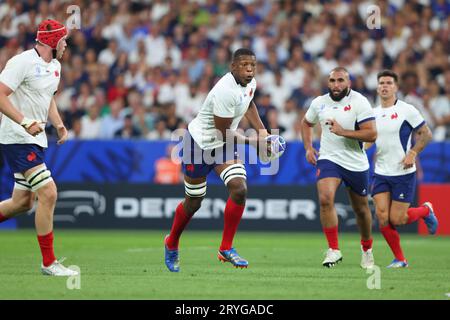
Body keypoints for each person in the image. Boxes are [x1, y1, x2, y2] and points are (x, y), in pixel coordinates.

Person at [164, 48, 270, 272]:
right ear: (233, 67)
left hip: (223, 145)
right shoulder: (225, 90)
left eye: (252, 65)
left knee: (239, 189)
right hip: (199, 144)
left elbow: (249, 103)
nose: (249, 69)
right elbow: (222, 132)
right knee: (194, 202)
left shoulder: (250, 83)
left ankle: (226, 248)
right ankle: (172, 241)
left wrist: (262, 131)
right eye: (244, 65)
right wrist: (252, 142)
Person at [0, 19, 78, 276]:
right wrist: (23, 121)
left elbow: (47, 100)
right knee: (49, 192)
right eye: (63, 40)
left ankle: (49, 263)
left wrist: (58, 124)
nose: (66, 44)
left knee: (21, 203)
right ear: (53, 41)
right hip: (17, 138)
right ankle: (49, 263)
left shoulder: (55, 67)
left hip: (35, 139)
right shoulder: (22, 62)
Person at [300, 67, 377, 269]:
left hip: (355, 162)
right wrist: (308, 147)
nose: (336, 85)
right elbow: (306, 123)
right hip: (329, 158)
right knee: (325, 199)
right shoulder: (319, 103)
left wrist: (343, 132)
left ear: (348, 82)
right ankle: (333, 249)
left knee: (361, 210)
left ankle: (367, 248)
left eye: (340, 80)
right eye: (332, 80)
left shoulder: (359, 102)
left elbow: (371, 134)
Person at [368, 70, 438, 268]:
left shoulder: (408, 110)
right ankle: (400, 259)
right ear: (377, 86)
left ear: (396, 87)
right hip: (381, 172)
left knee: (397, 219)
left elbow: (426, 134)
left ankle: (425, 210)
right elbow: (370, 141)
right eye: (381, 82)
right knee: (382, 217)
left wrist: (413, 153)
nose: (384, 86)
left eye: (389, 83)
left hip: (403, 173)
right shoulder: (372, 113)